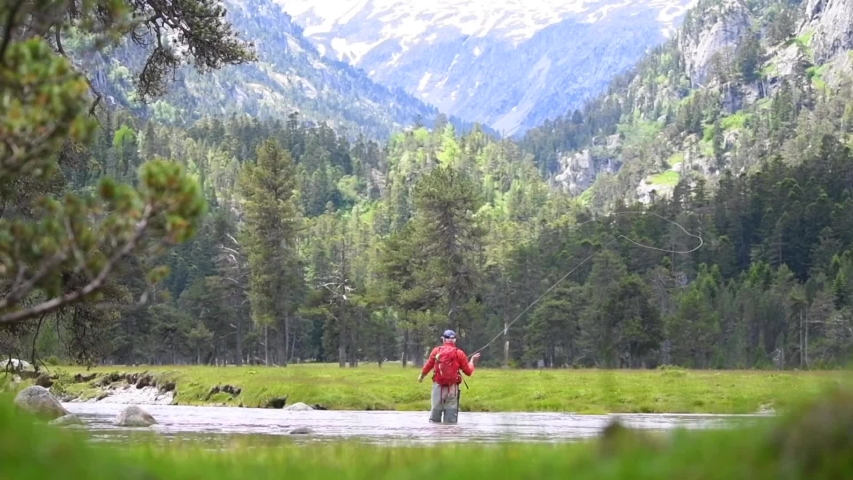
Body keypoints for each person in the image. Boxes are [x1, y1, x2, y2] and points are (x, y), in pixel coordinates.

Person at [417, 329, 480, 424]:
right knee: (451, 421)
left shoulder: (436, 351)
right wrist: (471, 361)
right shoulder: (459, 353)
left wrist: (421, 376)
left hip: (438, 387)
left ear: (443, 339)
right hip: (452, 389)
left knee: (434, 420)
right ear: (454, 340)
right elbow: (468, 372)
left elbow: (428, 365)